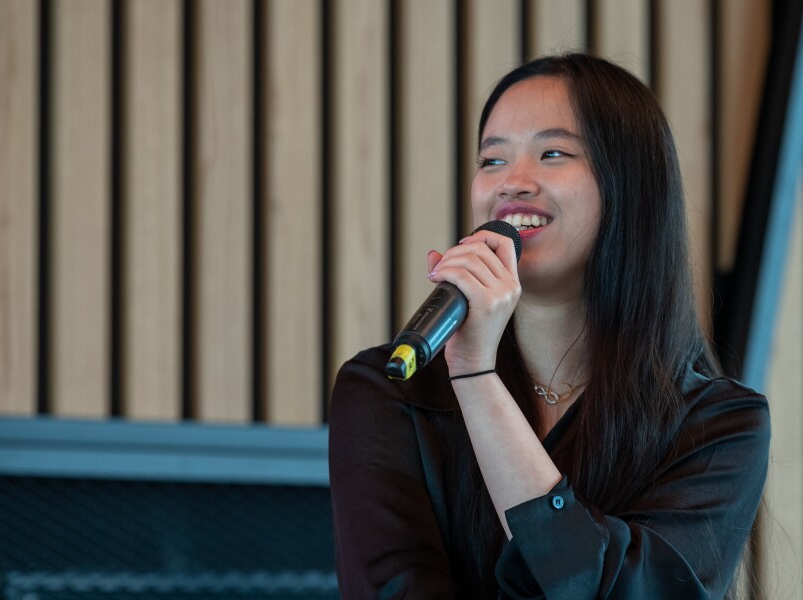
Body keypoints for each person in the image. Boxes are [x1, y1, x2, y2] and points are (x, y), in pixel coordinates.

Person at [328, 53, 770, 599]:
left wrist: (477, 379)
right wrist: (468, 367)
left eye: (553, 152)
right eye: (491, 160)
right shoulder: (388, 389)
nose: (511, 183)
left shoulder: (717, 424)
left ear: (631, 189)